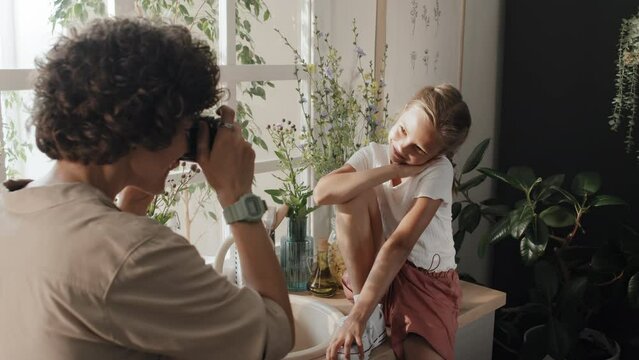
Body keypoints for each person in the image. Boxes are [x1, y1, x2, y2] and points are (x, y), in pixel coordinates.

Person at [0, 18, 293, 360]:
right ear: (147, 128)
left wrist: (131, 206)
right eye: (186, 129)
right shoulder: (135, 253)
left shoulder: (12, 206)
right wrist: (237, 197)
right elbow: (276, 333)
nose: (186, 151)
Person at [315, 84, 471, 360]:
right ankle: (373, 315)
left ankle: (369, 314)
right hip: (375, 274)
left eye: (417, 148)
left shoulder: (439, 171)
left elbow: (400, 245)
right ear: (401, 114)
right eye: (401, 130)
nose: (400, 146)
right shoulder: (374, 154)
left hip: (424, 284)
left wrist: (356, 316)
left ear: (436, 155)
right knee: (349, 191)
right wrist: (393, 169)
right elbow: (323, 192)